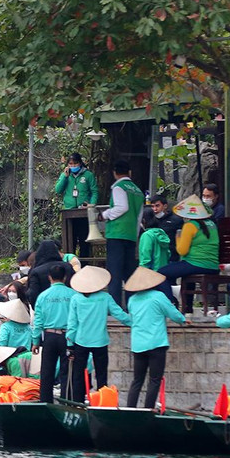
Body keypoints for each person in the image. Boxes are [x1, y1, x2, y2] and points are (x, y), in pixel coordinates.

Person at [66, 265, 131, 403]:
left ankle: (78, 403)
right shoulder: (105, 297)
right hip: (100, 341)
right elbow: (119, 314)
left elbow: (72, 324)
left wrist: (69, 344)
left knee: (78, 375)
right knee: (101, 375)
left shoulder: (76, 299)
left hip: (80, 341)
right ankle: (102, 402)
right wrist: (135, 323)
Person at [124, 267, 187, 408]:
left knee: (137, 380)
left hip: (138, 345)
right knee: (154, 380)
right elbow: (173, 313)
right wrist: (183, 320)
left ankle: (129, 409)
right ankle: (148, 409)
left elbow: (133, 318)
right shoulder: (158, 297)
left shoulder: (132, 300)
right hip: (156, 343)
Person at [99, 159, 145, 307]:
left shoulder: (118, 187)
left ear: (115, 173)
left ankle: (115, 307)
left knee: (115, 273)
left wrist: (104, 215)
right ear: (129, 173)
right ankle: (133, 305)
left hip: (117, 235)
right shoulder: (137, 191)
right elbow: (139, 216)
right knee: (129, 273)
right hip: (131, 236)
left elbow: (122, 207)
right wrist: (135, 234)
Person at [159, 195, 221, 304]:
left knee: (160, 274)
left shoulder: (190, 225)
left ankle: (170, 303)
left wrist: (178, 238)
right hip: (213, 266)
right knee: (186, 273)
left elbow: (182, 251)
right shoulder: (212, 225)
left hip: (195, 263)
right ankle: (187, 308)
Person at [31, 262, 74, 402]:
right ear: (65, 277)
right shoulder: (73, 295)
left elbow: (38, 322)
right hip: (67, 337)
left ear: (49, 278)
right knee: (66, 371)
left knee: (47, 371)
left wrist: (35, 342)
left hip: (49, 336)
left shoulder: (43, 296)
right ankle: (65, 401)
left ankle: (45, 402)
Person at [137, 207, 172, 273]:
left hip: (151, 273)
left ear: (143, 220)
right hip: (163, 271)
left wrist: (142, 272)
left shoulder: (147, 235)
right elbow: (168, 253)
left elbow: (145, 255)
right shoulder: (162, 233)